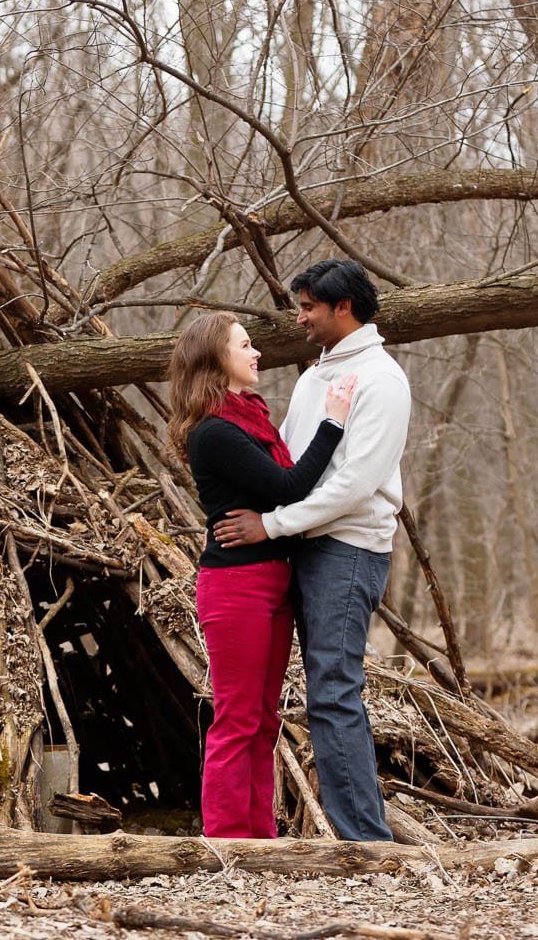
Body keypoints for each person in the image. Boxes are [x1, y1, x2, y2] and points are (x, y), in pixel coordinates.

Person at [212, 258, 410, 842]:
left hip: (348, 551)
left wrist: (270, 527)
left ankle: (365, 844)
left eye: (307, 308)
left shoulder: (381, 380)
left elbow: (354, 487)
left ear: (342, 308)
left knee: (333, 691)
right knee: (301, 696)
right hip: (302, 547)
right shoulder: (314, 377)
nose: (298, 319)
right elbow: (292, 470)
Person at [167, 311, 356, 838]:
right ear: (216, 359)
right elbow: (290, 486)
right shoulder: (215, 432)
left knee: (266, 720)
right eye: (244, 346)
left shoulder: (251, 418)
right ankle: (228, 840)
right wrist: (334, 423)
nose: (256, 354)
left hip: (275, 577)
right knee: (238, 718)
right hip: (235, 586)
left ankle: (261, 838)